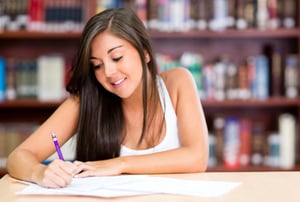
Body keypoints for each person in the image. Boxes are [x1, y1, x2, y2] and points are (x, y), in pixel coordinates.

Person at [6, 7, 208, 188]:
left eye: (117, 57)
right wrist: (41, 172)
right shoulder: (85, 102)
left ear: (145, 53)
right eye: (97, 65)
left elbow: (197, 158)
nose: (109, 72)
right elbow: (18, 158)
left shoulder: (177, 82)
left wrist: (118, 164)